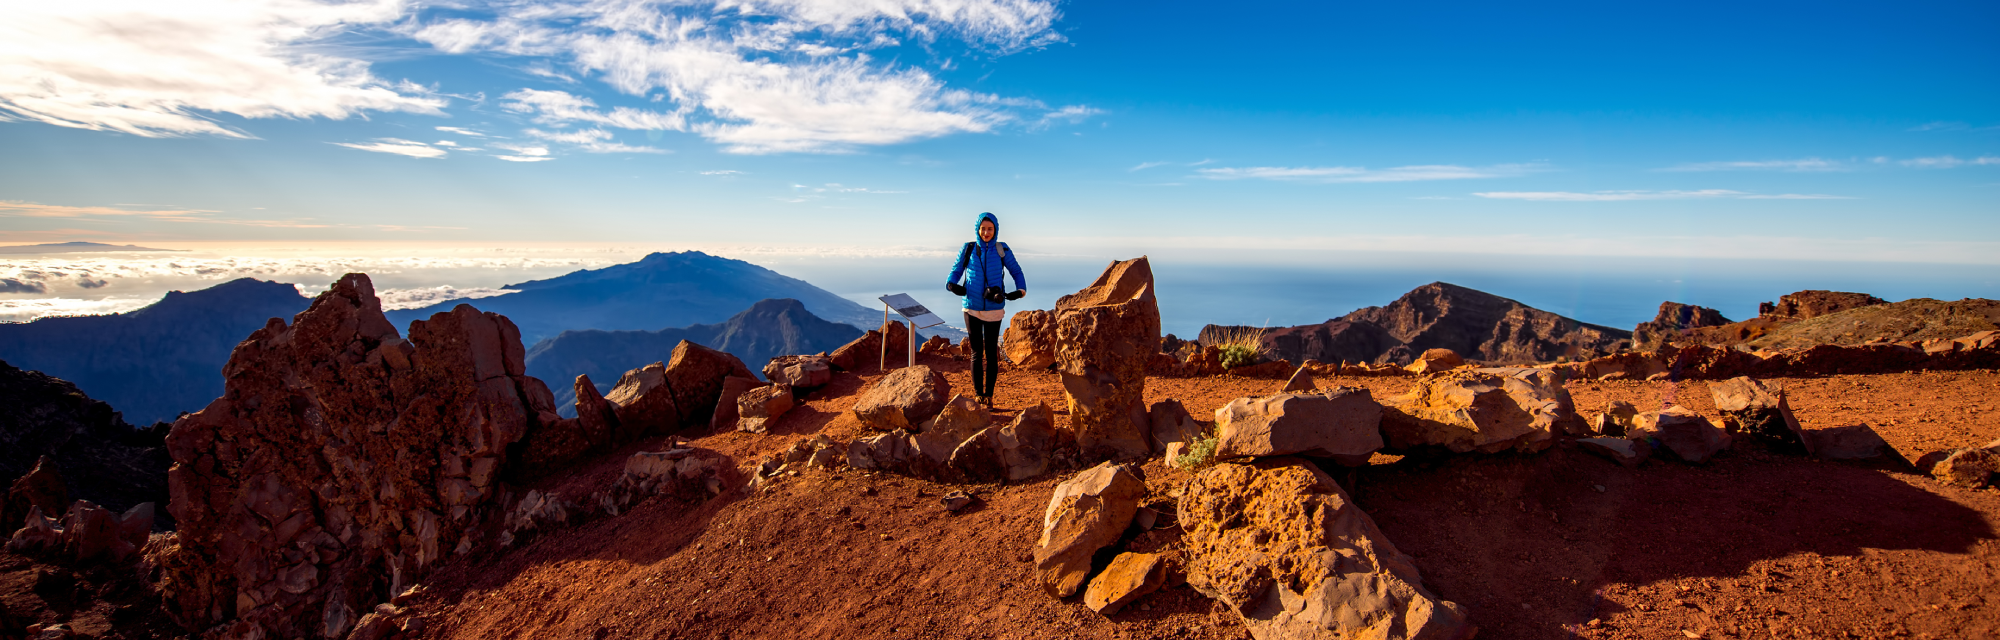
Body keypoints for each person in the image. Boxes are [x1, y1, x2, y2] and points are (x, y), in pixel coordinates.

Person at [946, 212, 1026, 408]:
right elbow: (956, 269)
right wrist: (951, 284)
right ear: (977, 229)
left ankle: (988, 395)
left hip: (994, 307)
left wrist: (1021, 290)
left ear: (995, 230)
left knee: (991, 352)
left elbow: (1016, 270)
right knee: (975, 352)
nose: (986, 232)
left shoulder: (1002, 249)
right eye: (983, 228)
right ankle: (978, 395)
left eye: (990, 229)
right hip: (971, 306)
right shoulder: (969, 248)